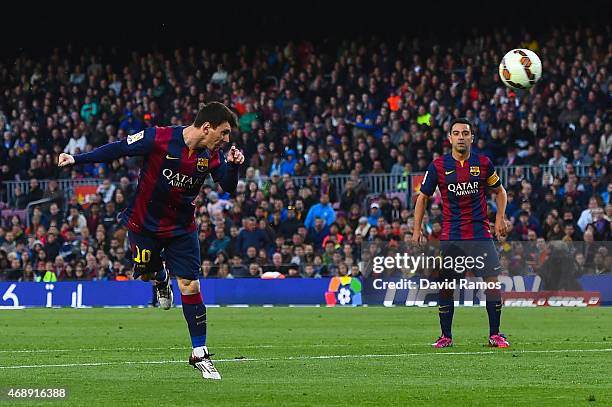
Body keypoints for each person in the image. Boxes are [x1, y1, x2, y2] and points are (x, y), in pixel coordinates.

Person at [58, 102, 244, 380]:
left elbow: (228, 187)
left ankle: (200, 351)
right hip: (144, 224)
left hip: (181, 228)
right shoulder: (159, 137)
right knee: (144, 271)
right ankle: (159, 277)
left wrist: (233, 167)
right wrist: (76, 159)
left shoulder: (212, 155)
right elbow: (119, 148)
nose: (227, 138)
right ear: (207, 127)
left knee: (190, 284)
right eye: (224, 132)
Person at [413, 118, 511, 349]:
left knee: (492, 283)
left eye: (465, 133)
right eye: (456, 133)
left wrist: (499, 218)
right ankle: (445, 335)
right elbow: (422, 197)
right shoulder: (438, 166)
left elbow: (500, 191)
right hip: (452, 235)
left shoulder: (483, 163)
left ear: (471, 138)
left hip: (480, 234)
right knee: (446, 285)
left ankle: (495, 334)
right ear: (449, 138)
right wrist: (417, 229)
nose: (460, 137)